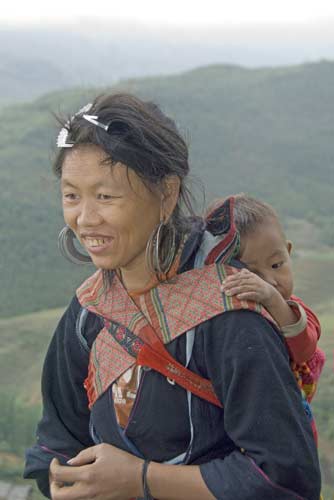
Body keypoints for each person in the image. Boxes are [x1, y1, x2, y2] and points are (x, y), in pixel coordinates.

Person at [24, 93, 321, 500]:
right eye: (72, 195)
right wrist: (63, 480)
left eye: (106, 196)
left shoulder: (229, 310)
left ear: (166, 194)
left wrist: (140, 480)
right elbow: (57, 438)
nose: (86, 218)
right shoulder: (89, 311)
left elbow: (285, 477)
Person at [218, 194, 325, 405]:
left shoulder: (298, 311)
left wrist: (273, 300)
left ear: (288, 251)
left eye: (276, 265)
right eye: (252, 275)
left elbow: (304, 349)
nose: (270, 282)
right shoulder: (232, 315)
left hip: (292, 414)